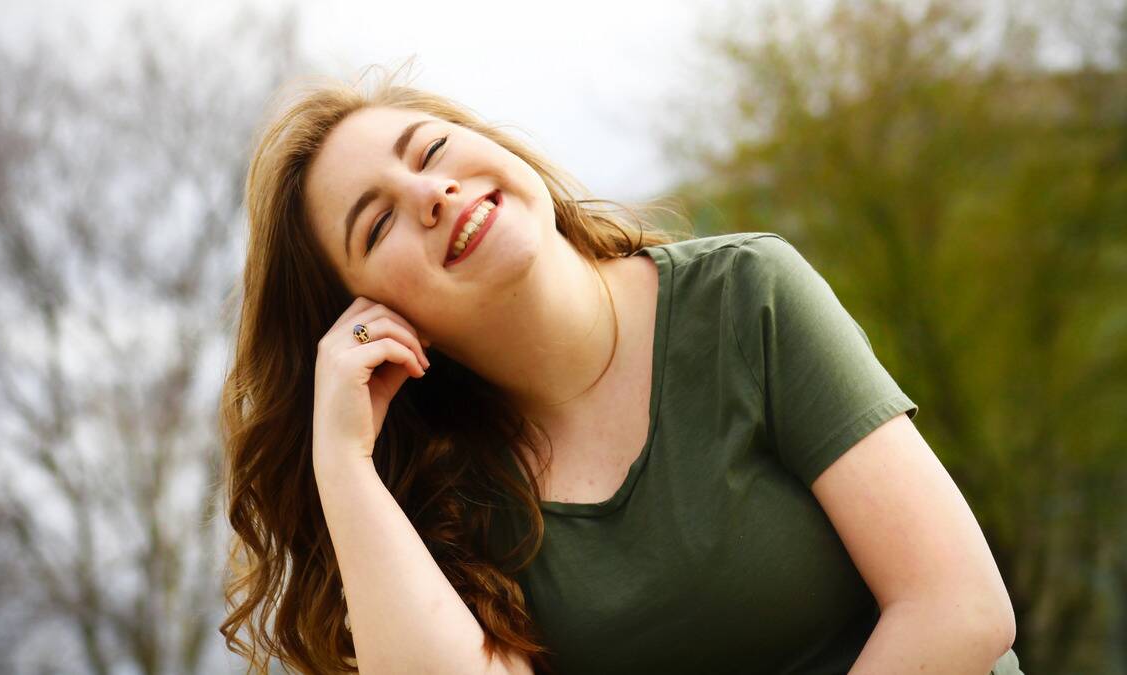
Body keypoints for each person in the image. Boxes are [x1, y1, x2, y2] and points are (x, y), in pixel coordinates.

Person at [218, 66, 1023, 675]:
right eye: (379, 221)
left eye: (430, 149)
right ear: (366, 318)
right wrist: (344, 463)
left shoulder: (747, 296)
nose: (432, 192)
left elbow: (960, 606)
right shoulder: (444, 496)